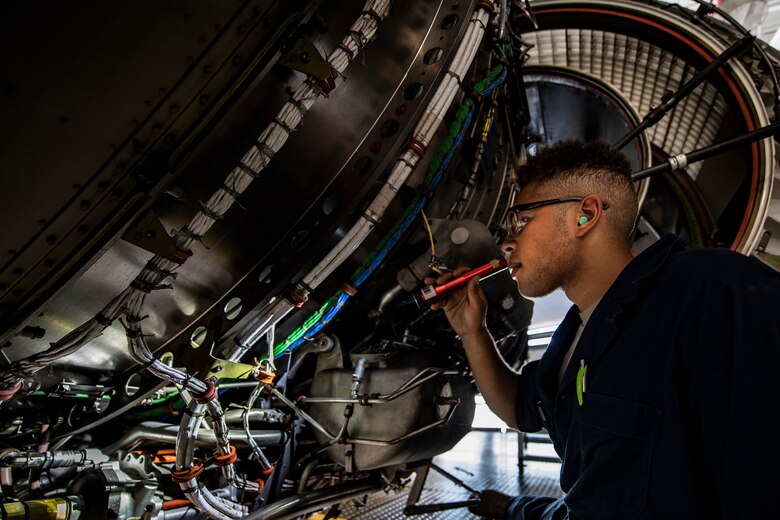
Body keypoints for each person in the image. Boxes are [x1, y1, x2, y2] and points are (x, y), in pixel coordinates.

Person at [428, 139, 780, 519]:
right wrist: (472, 332)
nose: (508, 243)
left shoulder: (712, 288)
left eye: (522, 220)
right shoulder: (575, 337)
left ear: (586, 215)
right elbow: (518, 407)